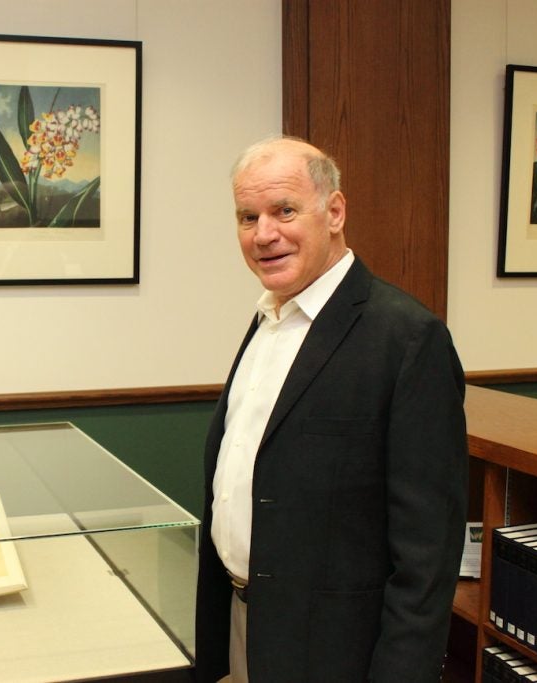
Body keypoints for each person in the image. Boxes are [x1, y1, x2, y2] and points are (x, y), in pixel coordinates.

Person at [195, 135, 469, 682]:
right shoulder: (268, 319)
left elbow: (427, 556)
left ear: (335, 211)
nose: (264, 234)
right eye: (248, 217)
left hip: (337, 653)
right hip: (244, 628)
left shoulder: (408, 339)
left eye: (284, 211)